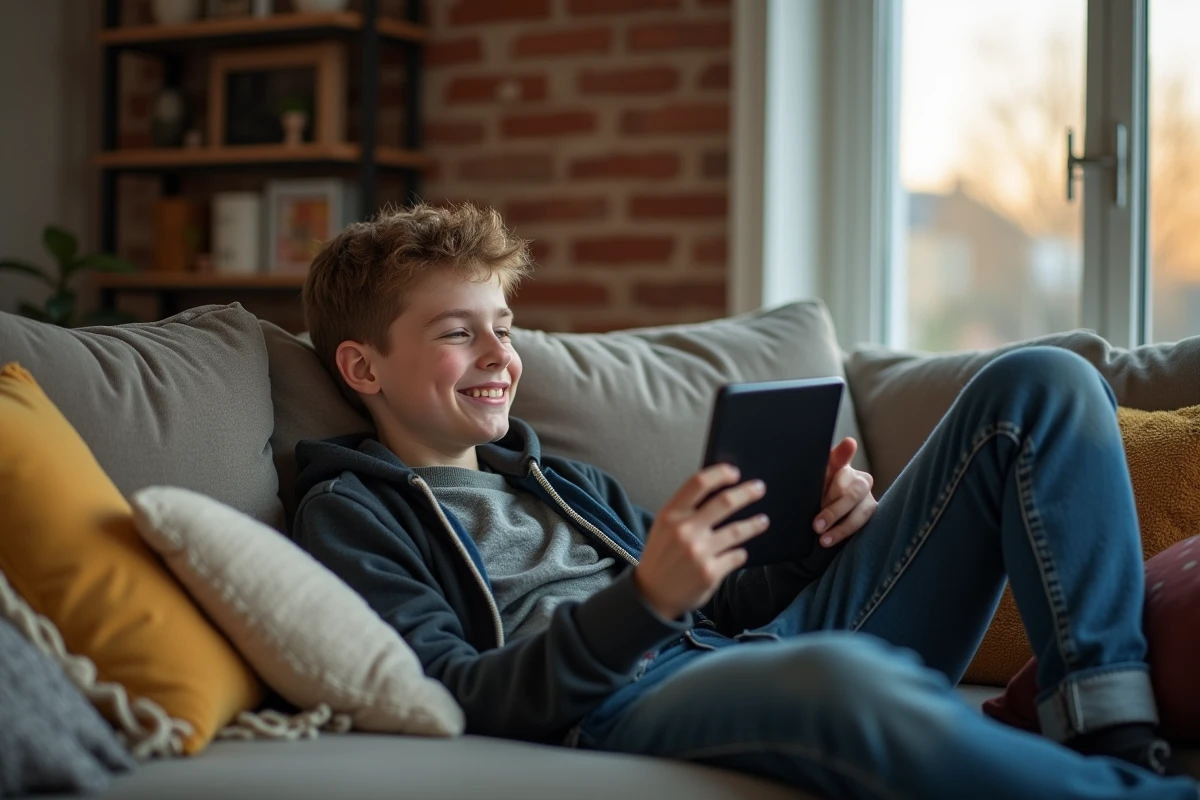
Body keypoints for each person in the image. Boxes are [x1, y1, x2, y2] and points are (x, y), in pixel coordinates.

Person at [291, 203, 1196, 800]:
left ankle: (1113, 735)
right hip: (615, 707)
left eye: (505, 327)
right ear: (363, 367)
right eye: (458, 333)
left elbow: (733, 602)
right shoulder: (350, 512)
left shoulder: (561, 479)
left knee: (1039, 382)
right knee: (839, 677)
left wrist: (822, 534)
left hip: (750, 645)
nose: (498, 355)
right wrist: (646, 599)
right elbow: (453, 693)